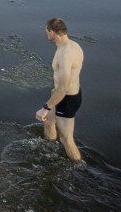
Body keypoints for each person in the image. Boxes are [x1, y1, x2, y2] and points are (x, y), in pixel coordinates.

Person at [35, 17, 84, 161]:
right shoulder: (74, 45)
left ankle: (78, 167)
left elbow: (63, 88)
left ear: (52, 33)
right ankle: (48, 150)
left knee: (66, 139)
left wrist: (46, 107)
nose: (46, 35)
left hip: (67, 99)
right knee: (48, 122)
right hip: (62, 95)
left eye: (46, 32)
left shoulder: (65, 55)